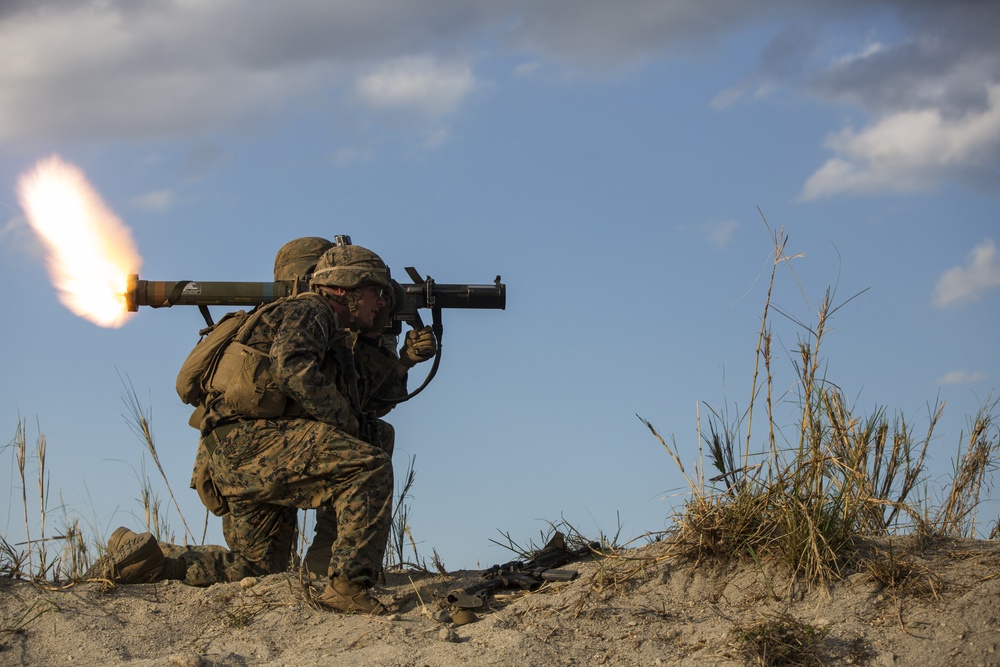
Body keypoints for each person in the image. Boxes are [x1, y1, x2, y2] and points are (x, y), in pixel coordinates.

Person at [87, 241, 436, 614]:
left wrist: (400, 364)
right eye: (376, 293)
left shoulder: (316, 325)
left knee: (254, 569)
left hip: (237, 453)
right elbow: (292, 368)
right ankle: (348, 583)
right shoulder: (311, 310)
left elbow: (359, 400)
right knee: (369, 464)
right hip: (256, 445)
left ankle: (148, 559)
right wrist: (346, 422)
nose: (383, 302)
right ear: (343, 290)